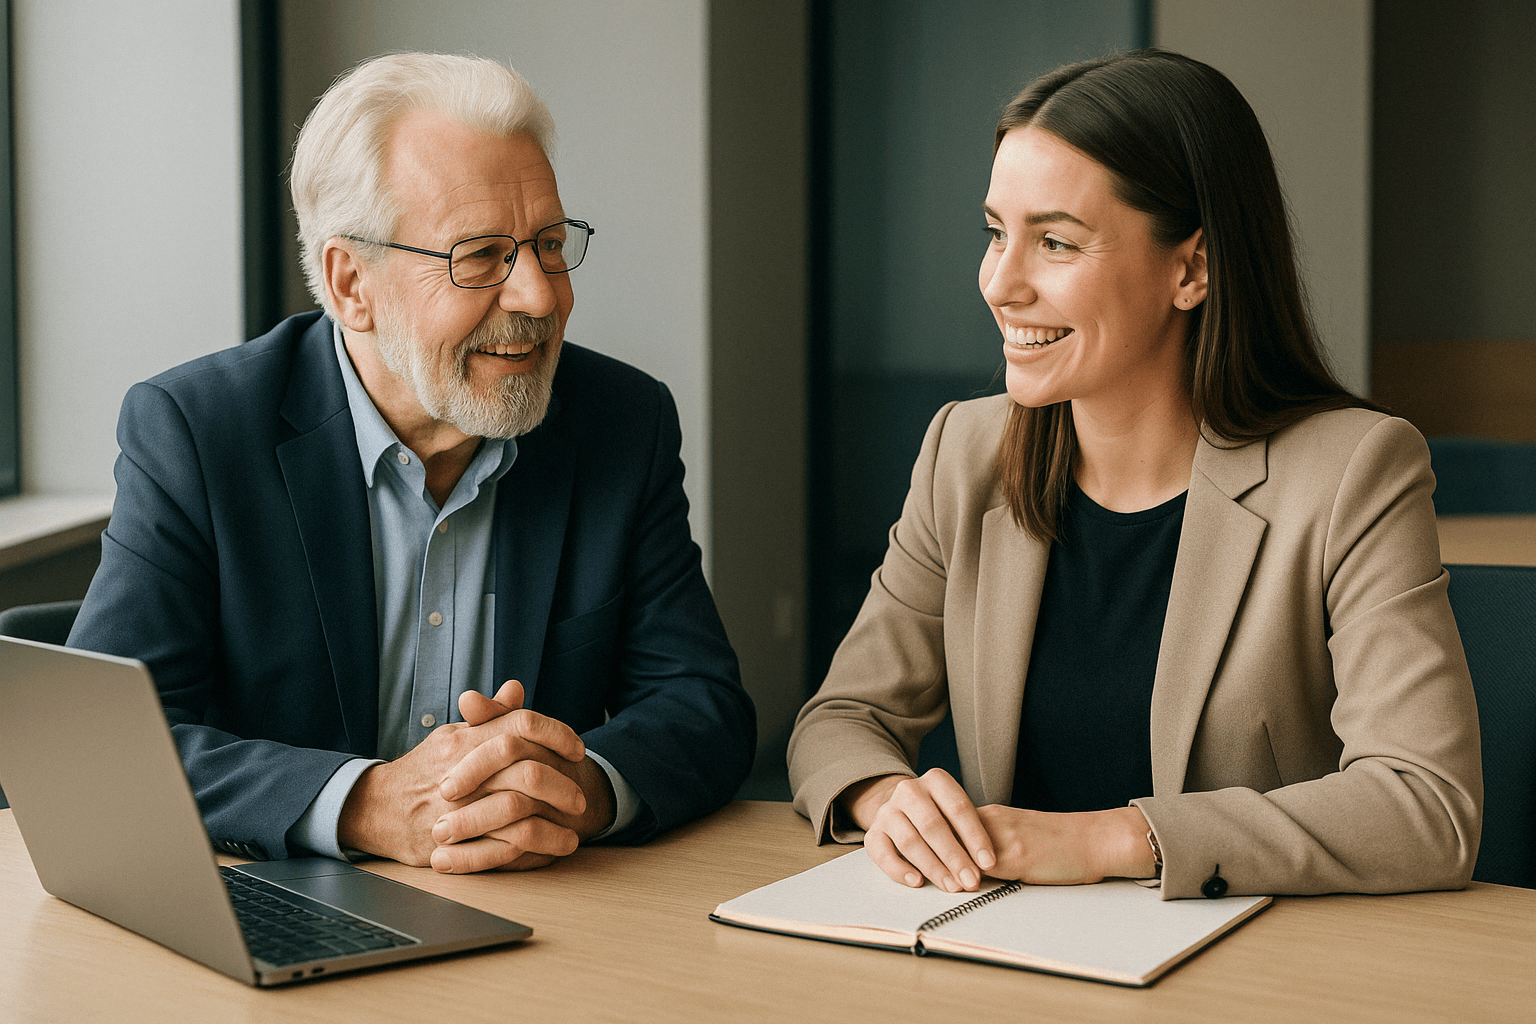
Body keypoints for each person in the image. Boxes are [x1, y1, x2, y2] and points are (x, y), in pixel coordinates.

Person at [787, 49, 1481, 900]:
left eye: (1055, 242)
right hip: (1001, 951)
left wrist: (1115, 838)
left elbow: (1427, 807)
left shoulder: (1352, 473)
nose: (1000, 284)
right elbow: (842, 718)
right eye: (995, 233)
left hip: (1245, 969)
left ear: (1191, 269)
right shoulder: (963, 451)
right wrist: (887, 798)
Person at [69, 53, 754, 874]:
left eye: (547, 244)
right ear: (351, 282)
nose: (539, 297)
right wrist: (363, 804)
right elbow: (104, 749)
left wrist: (575, 786)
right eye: (481, 256)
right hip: (282, 915)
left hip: (543, 921)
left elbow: (703, 706)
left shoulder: (622, 422)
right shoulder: (198, 432)